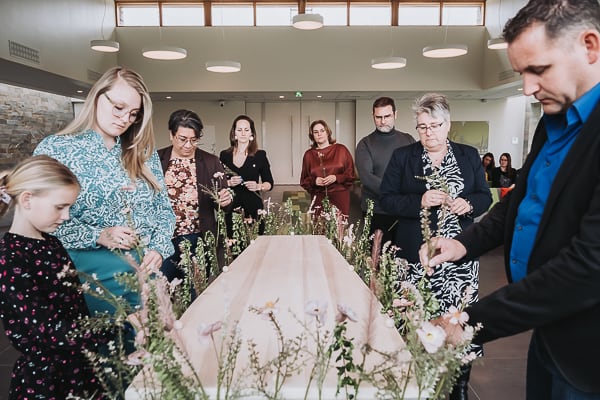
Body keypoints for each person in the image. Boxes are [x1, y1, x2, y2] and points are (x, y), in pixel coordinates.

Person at [420, 0, 600, 397]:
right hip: (548, 333)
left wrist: (471, 319)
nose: (527, 89)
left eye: (538, 69)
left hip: (589, 353)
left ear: (590, 46)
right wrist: (461, 244)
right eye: (521, 73)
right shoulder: (552, 122)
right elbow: (518, 206)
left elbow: (587, 265)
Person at [34, 66, 175, 315]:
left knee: (151, 347)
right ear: (98, 96)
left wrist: (159, 249)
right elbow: (38, 218)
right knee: (107, 345)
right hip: (90, 270)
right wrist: (97, 234)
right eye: (118, 107)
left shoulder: (143, 152)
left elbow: (164, 209)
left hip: (147, 270)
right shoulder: (57, 149)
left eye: (133, 114)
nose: (124, 119)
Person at [380, 93, 492, 400]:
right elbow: (385, 200)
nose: (428, 132)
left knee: (458, 323)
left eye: (434, 125)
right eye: (422, 127)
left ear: (448, 124)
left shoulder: (468, 155)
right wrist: (419, 200)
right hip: (418, 257)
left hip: (460, 259)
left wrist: (468, 203)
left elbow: (486, 196)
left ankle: (457, 387)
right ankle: (415, 384)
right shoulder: (404, 157)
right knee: (417, 320)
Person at [0, 155, 105, 399]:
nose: (66, 216)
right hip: (47, 380)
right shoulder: (10, 258)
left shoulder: (51, 242)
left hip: (80, 368)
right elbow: (49, 330)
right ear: (27, 199)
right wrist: (115, 328)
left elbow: (72, 306)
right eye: (60, 207)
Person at [158, 109, 232, 282]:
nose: (188, 145)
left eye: (194, 140)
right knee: (160, 291)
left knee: (194, 291)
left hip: (197, 238)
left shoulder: (210, 161)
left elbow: (224, 201)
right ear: (171, 135)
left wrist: (225, 200)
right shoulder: (156, 159)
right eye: (182, 139)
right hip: (163, 240)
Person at [355, 97, 415, 245]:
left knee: (403, 256)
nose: (383, 121)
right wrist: (396, 192)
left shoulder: (408, 140)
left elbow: (415, 170)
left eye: (387, 116)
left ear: (395, 114)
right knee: (377, 258)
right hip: (377, 210)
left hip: (403, 210)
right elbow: (367, 177)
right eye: (378, 117)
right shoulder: (365, 144)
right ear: (373, 116)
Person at [219, 115, 274, 230]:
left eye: (246, 130)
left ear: (252, 134)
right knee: (233, 243)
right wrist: (228, 183)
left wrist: (258, 186)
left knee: (257, 243)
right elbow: (218, 182)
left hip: (253, 205)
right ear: (234, 133)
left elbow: (269, 183)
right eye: (239, 130)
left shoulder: (260, 155)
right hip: (231, 206)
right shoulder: (224, 155)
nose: (243, 133)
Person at [300, 119, 356, 216]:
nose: (319, 134)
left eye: (322, 130)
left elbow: (350, 175)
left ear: (328, 132)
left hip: (339, 195)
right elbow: (304, 180)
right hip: (319, 197)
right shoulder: (309, 155)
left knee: (339, 228)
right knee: (320, 228)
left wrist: (336, 178)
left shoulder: (341, 150)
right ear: (312, 136)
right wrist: (314, 181)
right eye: (315, 132)